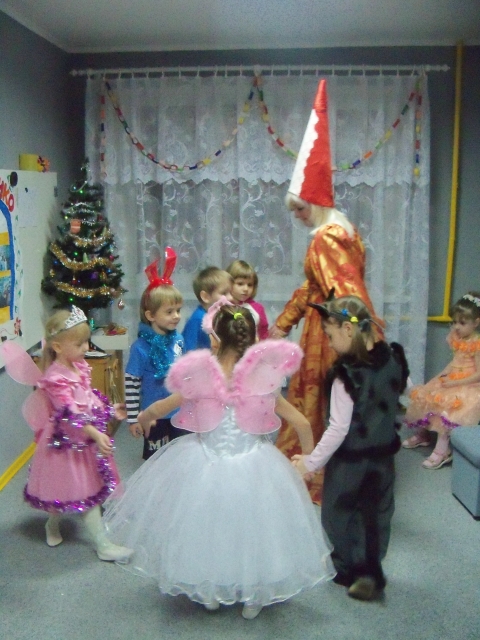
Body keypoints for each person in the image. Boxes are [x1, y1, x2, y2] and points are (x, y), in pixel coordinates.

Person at [103, 299, 334, 619]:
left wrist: (141, 419)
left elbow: (158, 409)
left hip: (205, 463)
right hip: (254, 465)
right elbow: (303, 424)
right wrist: (308, 463)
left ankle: (209, 587)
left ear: (215, 340)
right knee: (253, 528)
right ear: (251, 339)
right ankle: (253, 594)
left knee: (207, 528)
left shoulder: (201, 378)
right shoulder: (264, 380)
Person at [269, 79, 382, 504]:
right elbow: (314, 287)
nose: (297, 216)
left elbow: (346, 292)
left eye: (299, 208)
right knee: (334, 403)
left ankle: (315, 472)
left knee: (323, 402)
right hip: (330, 324)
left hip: (330, 333)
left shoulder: (326, 239)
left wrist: (364, 339)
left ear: (314, 202)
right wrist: (284, 323)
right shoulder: (344, 232)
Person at [292, 293, 408, 601]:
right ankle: (369, 569)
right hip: (383, 460)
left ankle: (345, 569)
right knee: (376, 513)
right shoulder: (394, 360)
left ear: (347, 329)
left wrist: (310, 462)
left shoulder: (346, 375)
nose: (329, 344)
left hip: (350, 463)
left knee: (338, 513)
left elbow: (338, 428)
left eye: (330, 336)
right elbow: (398, 399)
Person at [2, 306, 132, 562]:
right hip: (65, 442)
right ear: (58, 347)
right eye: (79, 343)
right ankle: (100, 544)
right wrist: (95, 433)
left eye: (86, 341)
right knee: (72, 490)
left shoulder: (78, 366)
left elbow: (88, 397)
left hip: (84, 438)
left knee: (78, 488)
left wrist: (108, 409)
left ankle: (55, 525)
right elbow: (69, 412)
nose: (86, 347)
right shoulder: (55, 378)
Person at [402, 292, 480, 469]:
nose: (456, 327)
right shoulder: (457, 338)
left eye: (462, 323)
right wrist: (441, 376)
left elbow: (478, 374)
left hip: (469, 384)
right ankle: (423, 434)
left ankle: (443, 450)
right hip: (453, 378)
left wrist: (455, 383)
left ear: (476, 322)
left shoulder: (477, 343)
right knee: (427, 395)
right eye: (455, 322)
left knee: (449, 411)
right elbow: (455, 362)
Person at [125, 248, 186, 459]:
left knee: (179, 457)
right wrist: (133, 418)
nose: (176, 316)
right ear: (151, 315)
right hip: (154, 416)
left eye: (178, 310)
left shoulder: (178, 340)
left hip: (178, 411)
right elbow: (132, 386)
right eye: (169, 312)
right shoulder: (140, 348)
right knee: (156, 460)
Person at [182, 266, 232, 351]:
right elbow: (188, 351)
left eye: (231, 292)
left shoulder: (220, 315)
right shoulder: (198, 319)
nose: (230, 298)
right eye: (224, 293)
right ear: (205, 297)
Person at [226, 259, 269, 340]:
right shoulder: (222, 307)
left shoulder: (258, 308)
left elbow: (264, 334)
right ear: (228, 283)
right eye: (240, 284)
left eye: (250, 285)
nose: (246, 289)